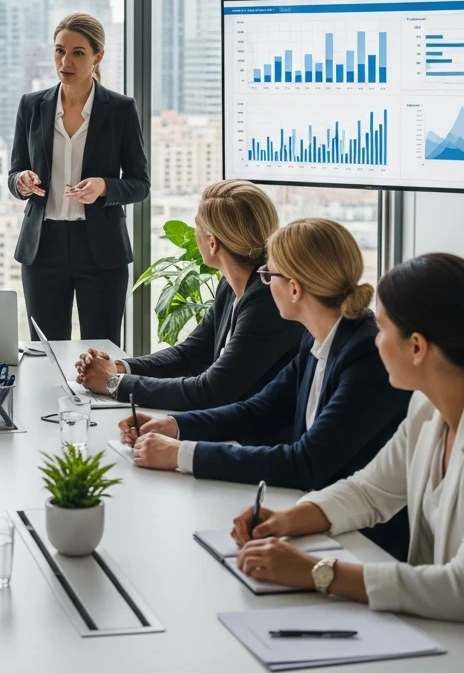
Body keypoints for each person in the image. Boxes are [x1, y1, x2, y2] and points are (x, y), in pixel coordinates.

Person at [171, 252, 464, 673]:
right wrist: (287, 519)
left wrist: (321, 573)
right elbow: (371, 489)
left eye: (381, 328)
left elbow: (461, 588)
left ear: (417, 346)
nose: (372, 337)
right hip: (432, 654)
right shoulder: (428, 408)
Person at [118, 218, 411, 530]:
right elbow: (259, 411)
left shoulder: (366, 355)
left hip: (359, 538)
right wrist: (175, 426)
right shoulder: (316, 338)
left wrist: (182, 455)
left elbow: (306, 462)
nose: (266, 283)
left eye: (269, 275)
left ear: (295, 289)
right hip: (307, 514)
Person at [76, 180, 302, 408]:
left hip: (250, 437)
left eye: (197, 227)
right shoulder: (233, 285)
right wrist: (117, 367)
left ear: (213, 243)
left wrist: (114, 383)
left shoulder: (266, 299)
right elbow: (191, 353)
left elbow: (211, 390)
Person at [8, 13, 150, 344]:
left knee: (101, 350)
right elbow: (15, 171)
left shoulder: (120, 108)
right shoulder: (31, 106)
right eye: (59, 51)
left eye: (77, 53)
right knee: (46, 350)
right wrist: (21, 182)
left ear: (97, 56)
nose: (65, 61)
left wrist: (104, 187)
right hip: (42, 248)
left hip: (100, 248)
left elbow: (140, 183)